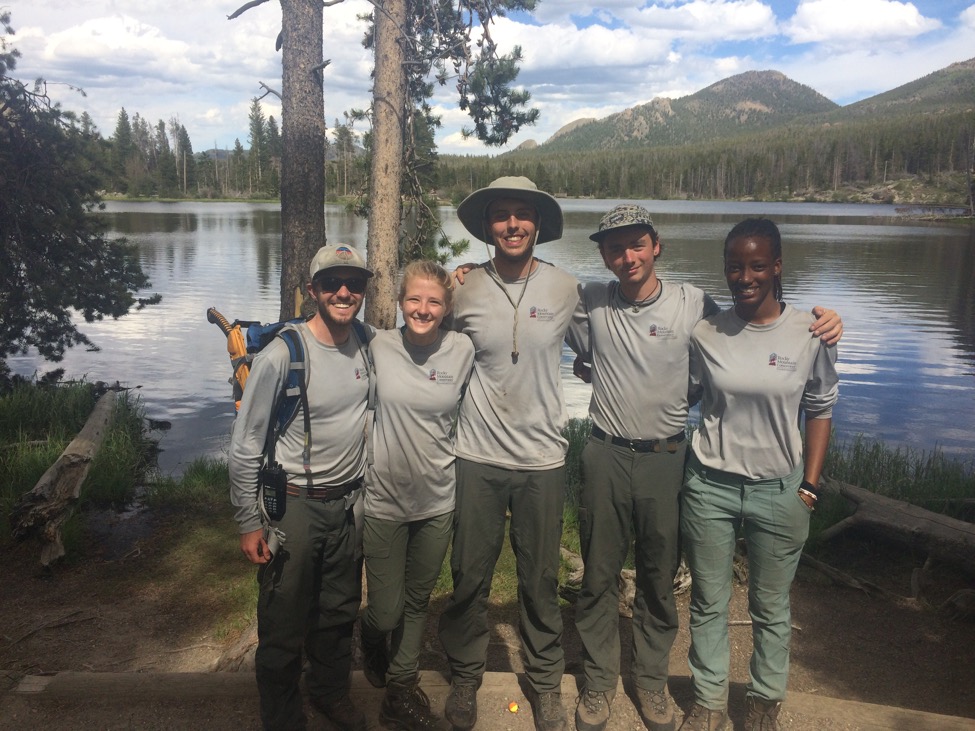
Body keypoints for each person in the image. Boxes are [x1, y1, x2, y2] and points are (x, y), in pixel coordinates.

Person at [564, 205, 843, 731]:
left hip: (669, 459)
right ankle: (603, 685)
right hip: (618, 454)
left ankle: (652, 684)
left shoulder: (698, 307)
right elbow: (539, 299)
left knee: (660, 577)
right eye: (615, 247)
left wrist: (809, 484)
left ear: (657, 246)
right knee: (601, 577)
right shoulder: (591, 300)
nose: (628, 257)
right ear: (603, 254)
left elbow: (791, 372)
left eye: (637, 244)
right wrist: (469, 274)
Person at [678, 218, 839, 731]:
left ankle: (764, 704)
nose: (743, 276)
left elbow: (820, 407)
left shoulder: (810, 333)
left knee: (771, 606)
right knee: (709, 601)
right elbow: (687, 392)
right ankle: (709, 703)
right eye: (734, 266)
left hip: (779, 488)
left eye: (755, 265)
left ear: (776, 266)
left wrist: (809, 486)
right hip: (709, 485)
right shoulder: (706, 332)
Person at [437, 176, 585, 731]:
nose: (513, 224)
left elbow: (606, 342)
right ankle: (465, 676)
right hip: (476, 455)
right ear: (487, 226)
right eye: (502, 215)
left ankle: (545, 682)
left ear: (538, 224)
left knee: (540, 578)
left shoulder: (567, 288)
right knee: (470, 575)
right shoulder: (464, 288)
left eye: (523, 214)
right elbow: (426, 340)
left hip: (543, 460)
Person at [229, 243, 374, 731]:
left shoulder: (369, 344)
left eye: (354, 283)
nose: (343, 291)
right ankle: (283, 715)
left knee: (337, 613)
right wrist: (249, 522)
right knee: (283, 620)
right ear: (312, 290)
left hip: (348, 505)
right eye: (332, 282)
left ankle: (330, 693)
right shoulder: (282, 355)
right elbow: (245, 444)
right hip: (293, 506)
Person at [359, 261, 475, 731]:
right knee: (385, 610)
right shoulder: (377, 344)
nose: (423, 309)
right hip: (384, 501)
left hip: (437, 501)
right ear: (400, 302)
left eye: (434, 301)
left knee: (417, 600)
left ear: (447, 308)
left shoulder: (462, 348)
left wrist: (470, 274)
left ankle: (401, 689)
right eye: (414, 299)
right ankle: (369, 636)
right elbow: (325, 332)